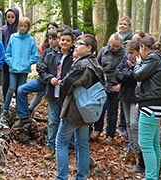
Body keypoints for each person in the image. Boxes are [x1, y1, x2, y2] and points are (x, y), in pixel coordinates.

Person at [56, 34, 104, 179]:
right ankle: (82, 177)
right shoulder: (95, 63)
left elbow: (65, 86)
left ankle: (61, 177)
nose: (75, 46)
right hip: (88, 110)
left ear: (89, 48)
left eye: (80, 43)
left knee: (61, 142)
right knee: (82, 143)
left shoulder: (82, 65)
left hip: (75, 111)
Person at [133, 35, 161, 179]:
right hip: (158, 104)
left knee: (145, 144)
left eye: (140, 50)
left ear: (143, 48)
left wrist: (138, 63)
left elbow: (138, 75)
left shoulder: (153, 59)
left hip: (151, 105)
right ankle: (155, 174)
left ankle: (151, 177)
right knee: (154, 142)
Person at [38, 29, 74, 159]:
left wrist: (66, 81)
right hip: (53, 93)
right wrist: (50, 78)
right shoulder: (52, 55)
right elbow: (42, 70)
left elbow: (75, 74)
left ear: (72, 42)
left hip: (66, 95)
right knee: (53, 121)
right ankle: (51, 147)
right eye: (62, 39)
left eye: (67, 40)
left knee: (65, 121)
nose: (64, 42)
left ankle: (65, 146)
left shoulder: (73, 57)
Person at [14, 29, 59, 129]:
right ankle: (24, 117)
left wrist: (48, 73)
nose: (51, 41)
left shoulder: (62, 54)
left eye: (54, 39)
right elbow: (39, 65)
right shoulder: (47, 51)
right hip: (42, 81)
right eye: (50, 38)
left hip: (53, 86)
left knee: (54, 113)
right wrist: (44, 72)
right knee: (21, 90)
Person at [0, 17, 39, 127]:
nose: (23, 28)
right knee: (11, 88)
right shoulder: (13, 37)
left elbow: (35, 55)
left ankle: (21, 112)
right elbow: (7, 53)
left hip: (24, 69)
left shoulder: (30, 39)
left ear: (28, 27)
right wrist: (11, 62)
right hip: (13, 68)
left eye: (25, 26)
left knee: (21, 90)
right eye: (21, 25)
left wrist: (27, 63)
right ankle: (5, 110)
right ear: (18, 26)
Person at [115, 40, 145, 173]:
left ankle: (139, 151)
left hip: (136, 97)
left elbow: (137, 77)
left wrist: (131, 70)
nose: (129, 55)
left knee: (134, 124)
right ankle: (132, 149)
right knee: (127, 123)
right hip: (125, 95)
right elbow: (118, 75)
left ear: (138, 51)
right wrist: (129, 72)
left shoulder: (143, 62)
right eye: (128, 52)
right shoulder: (125, 59)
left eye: (131, 52)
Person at [95, 33, 125, 144]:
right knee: (100, 108)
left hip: (115, 85)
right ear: (109, 42)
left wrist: (121, 85)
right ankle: (97, 130)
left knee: (112, 111)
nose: (114, 48)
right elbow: (97, 66)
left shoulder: (124, 54)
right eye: (113, 45)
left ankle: (110, 134)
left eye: (117, 46)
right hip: (102, 84)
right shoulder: (103, 51)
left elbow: (127, 71)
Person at [2, 8, 19, 101]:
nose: (10, 19)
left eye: (12, 17)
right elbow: (2, 42)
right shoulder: (4, 29)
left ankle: (18, 102)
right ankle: (5, 101)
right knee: (6, 80)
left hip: (16, 59)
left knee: (16, 82)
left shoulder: (18, 30)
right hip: (5, 59)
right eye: (8, 17)